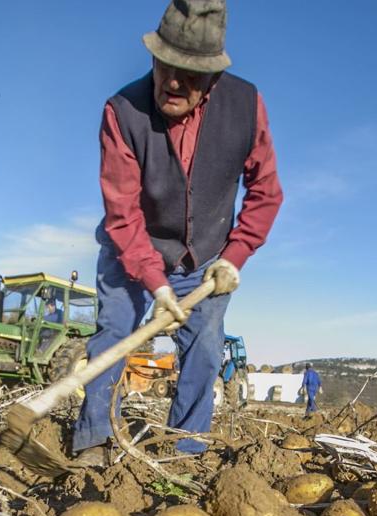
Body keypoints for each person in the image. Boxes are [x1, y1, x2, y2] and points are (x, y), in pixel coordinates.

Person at [71, 0, 282, 466]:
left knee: (206, 348)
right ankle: (95, 439)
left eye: (188, 74)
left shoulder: (245, 106)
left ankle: (183, 452)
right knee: (114, 331)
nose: (171, 82)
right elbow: (122, 214)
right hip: (134, 248)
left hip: (206, 257)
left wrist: (236, 254)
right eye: (165, 66)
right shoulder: (122, 111)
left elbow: (265, 191)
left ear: (212, 76)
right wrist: (154, 281)